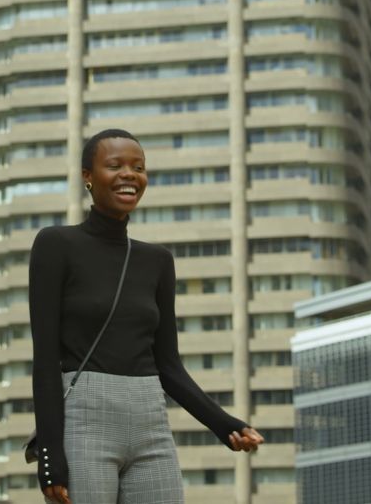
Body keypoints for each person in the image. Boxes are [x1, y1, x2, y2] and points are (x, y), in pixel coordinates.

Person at [29, 129, 264, 504]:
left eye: (138, 167)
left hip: (149, 421)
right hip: (84, 421)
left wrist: (225, 426)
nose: (129, 174)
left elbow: (168, 366)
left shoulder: (156, 261)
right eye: (115, 165)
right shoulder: (56, 245)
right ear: (87, 176)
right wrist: (50, 458)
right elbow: (43, 361)